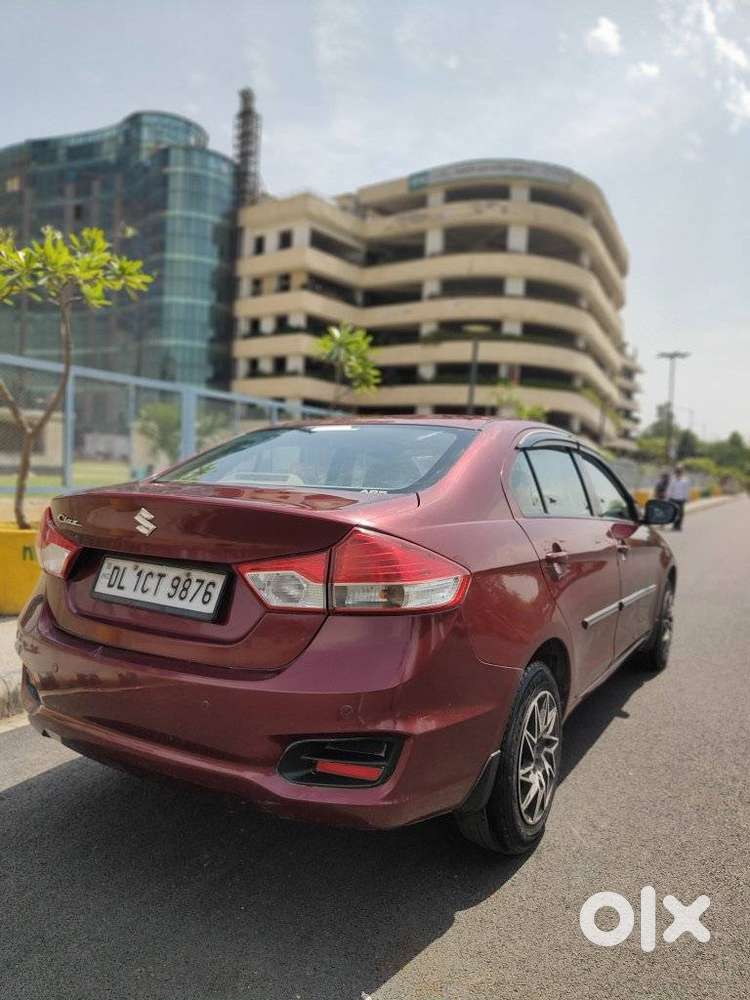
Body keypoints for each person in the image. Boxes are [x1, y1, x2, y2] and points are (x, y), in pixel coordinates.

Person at [667, 463, 690, 530]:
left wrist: (686, 498)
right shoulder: (672, 479)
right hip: (673, 498)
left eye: (680, 470)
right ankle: (674, 526)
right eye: (677, 470)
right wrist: (668, 498)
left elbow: (686, 490)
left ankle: (679, 526)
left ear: (682, 471)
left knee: (681, 513)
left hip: (681, 499)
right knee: (674, 513)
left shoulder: (685, 480)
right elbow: (669, 489)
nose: (678, 471)